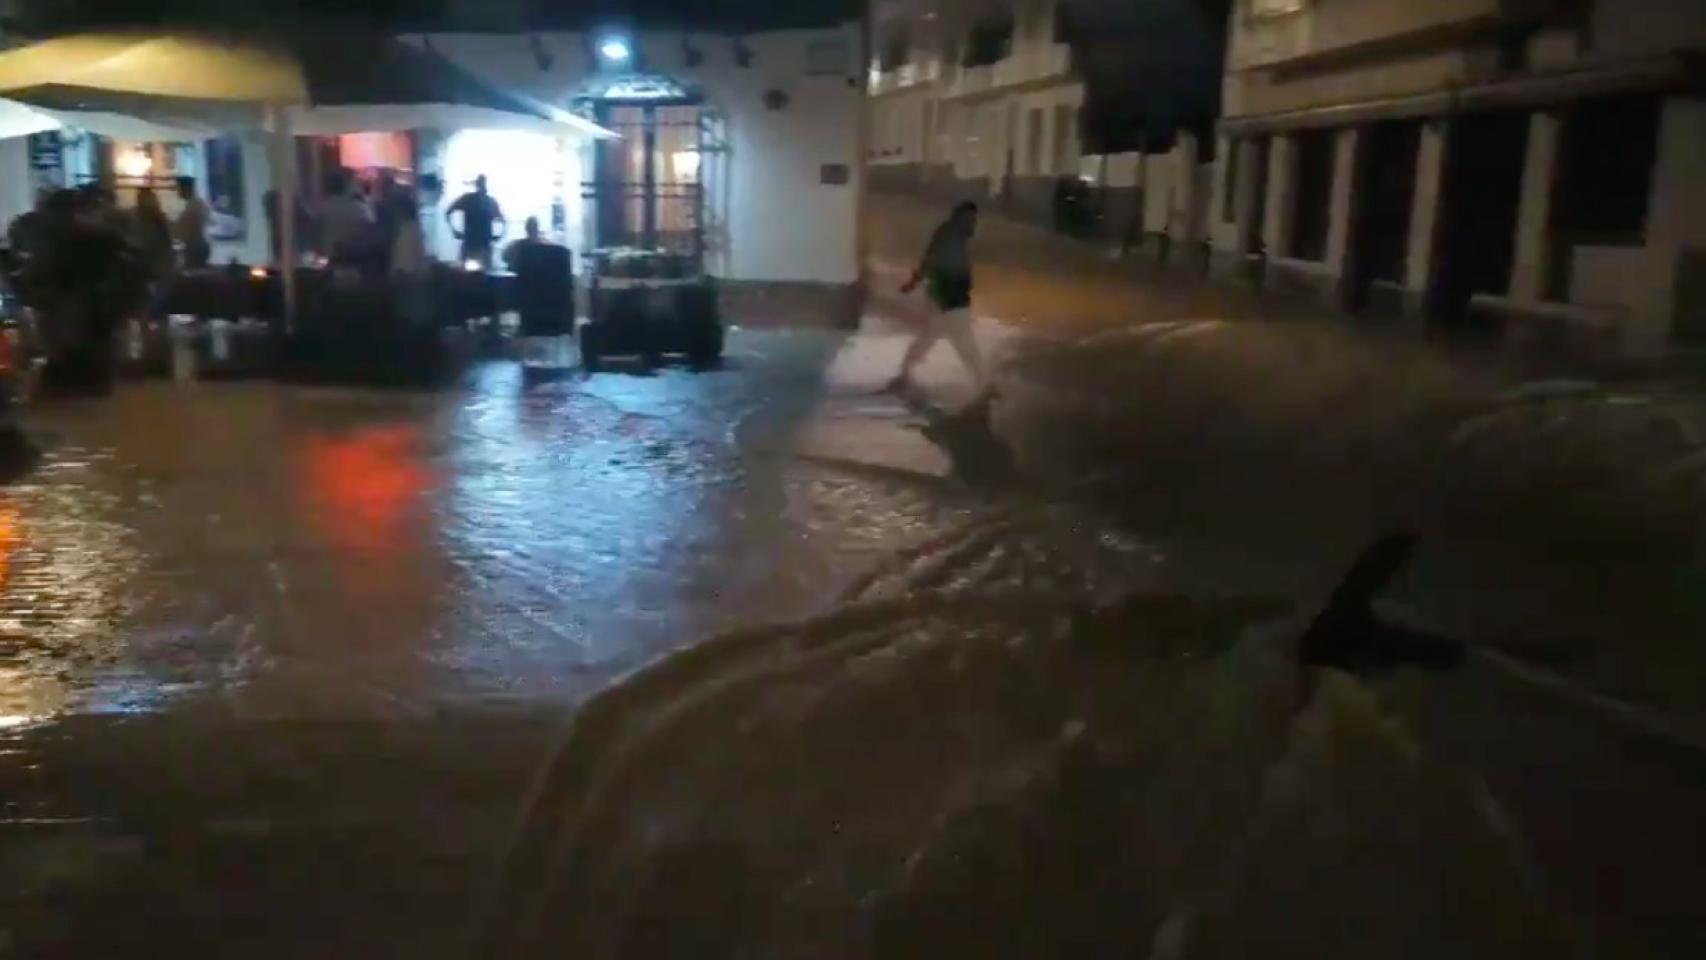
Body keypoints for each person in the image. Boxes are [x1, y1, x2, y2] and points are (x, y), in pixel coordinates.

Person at [891, 200, 983, 394]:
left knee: (929, 337)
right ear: (960, 218)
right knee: (963, 343)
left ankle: (903, 374)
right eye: (970, 219)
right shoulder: (950, 236)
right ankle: (983, 385)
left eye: (974, 219)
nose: (973, 224)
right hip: (950, 299)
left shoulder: (950, 234)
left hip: (943, 298)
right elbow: (933, 262)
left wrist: (913, 283)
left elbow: (929, 260)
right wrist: (914, 282)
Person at [446, 174, 506, 269]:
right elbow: (448, 212)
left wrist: (499, 235)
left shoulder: (488, 202)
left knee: (481, 275)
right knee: (469, 276)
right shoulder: (469, 199)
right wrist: (454, 231)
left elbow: (503, 220)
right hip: (472, 245)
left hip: (482, 245)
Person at [318, 169, 374, 269]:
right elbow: (371, 233)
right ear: (349, 186)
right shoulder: (360, 209)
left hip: (329, 260)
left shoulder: (321, 207)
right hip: (356, 261)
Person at [174, 176, 212, 269]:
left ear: (185, 189)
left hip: (195, 248)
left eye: (179, 188)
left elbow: (185, 228)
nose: (178, 192)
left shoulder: (193, 207)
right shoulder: (198, 203)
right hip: (198, 246)